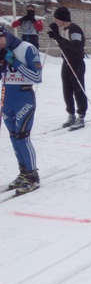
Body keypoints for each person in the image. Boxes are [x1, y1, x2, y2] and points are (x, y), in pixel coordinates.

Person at [0, 25, 42, 194]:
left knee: (23, 137)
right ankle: (23, 173)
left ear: (5, 35)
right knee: (13, 137)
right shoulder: (3, 51)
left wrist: (14, 62)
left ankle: (33, 176)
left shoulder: (27, 48)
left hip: (24, 99)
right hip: (7, 99)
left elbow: (37, 77)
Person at [47, 6, 87, 131]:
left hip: (76, 63)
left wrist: (58, 36)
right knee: (67, 89)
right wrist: (56, 34)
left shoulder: (74, 29)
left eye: (56, 18)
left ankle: (81, 116)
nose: (55, 20)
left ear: (62, 18)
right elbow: (64, 45)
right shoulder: (64, 29)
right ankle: (71, 114)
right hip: (66, 62)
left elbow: (75, 46)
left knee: (78, 89)